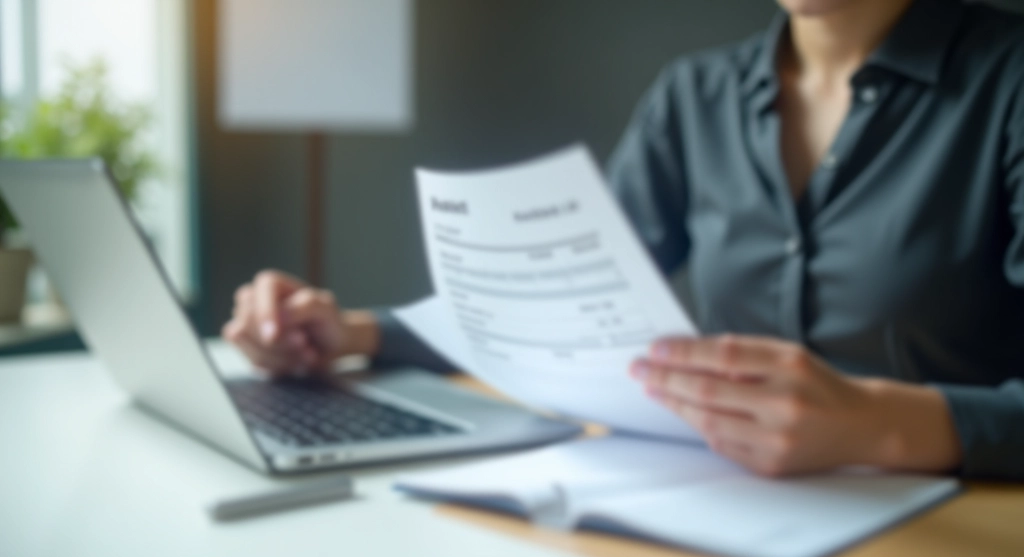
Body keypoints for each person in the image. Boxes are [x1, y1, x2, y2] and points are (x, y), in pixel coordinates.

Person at [224, 0, 1024, 480]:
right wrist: (353, 331)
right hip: (723, 509)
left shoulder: (1009, 80)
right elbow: (559, 308)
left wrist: (883, 424)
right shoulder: (695, 96)